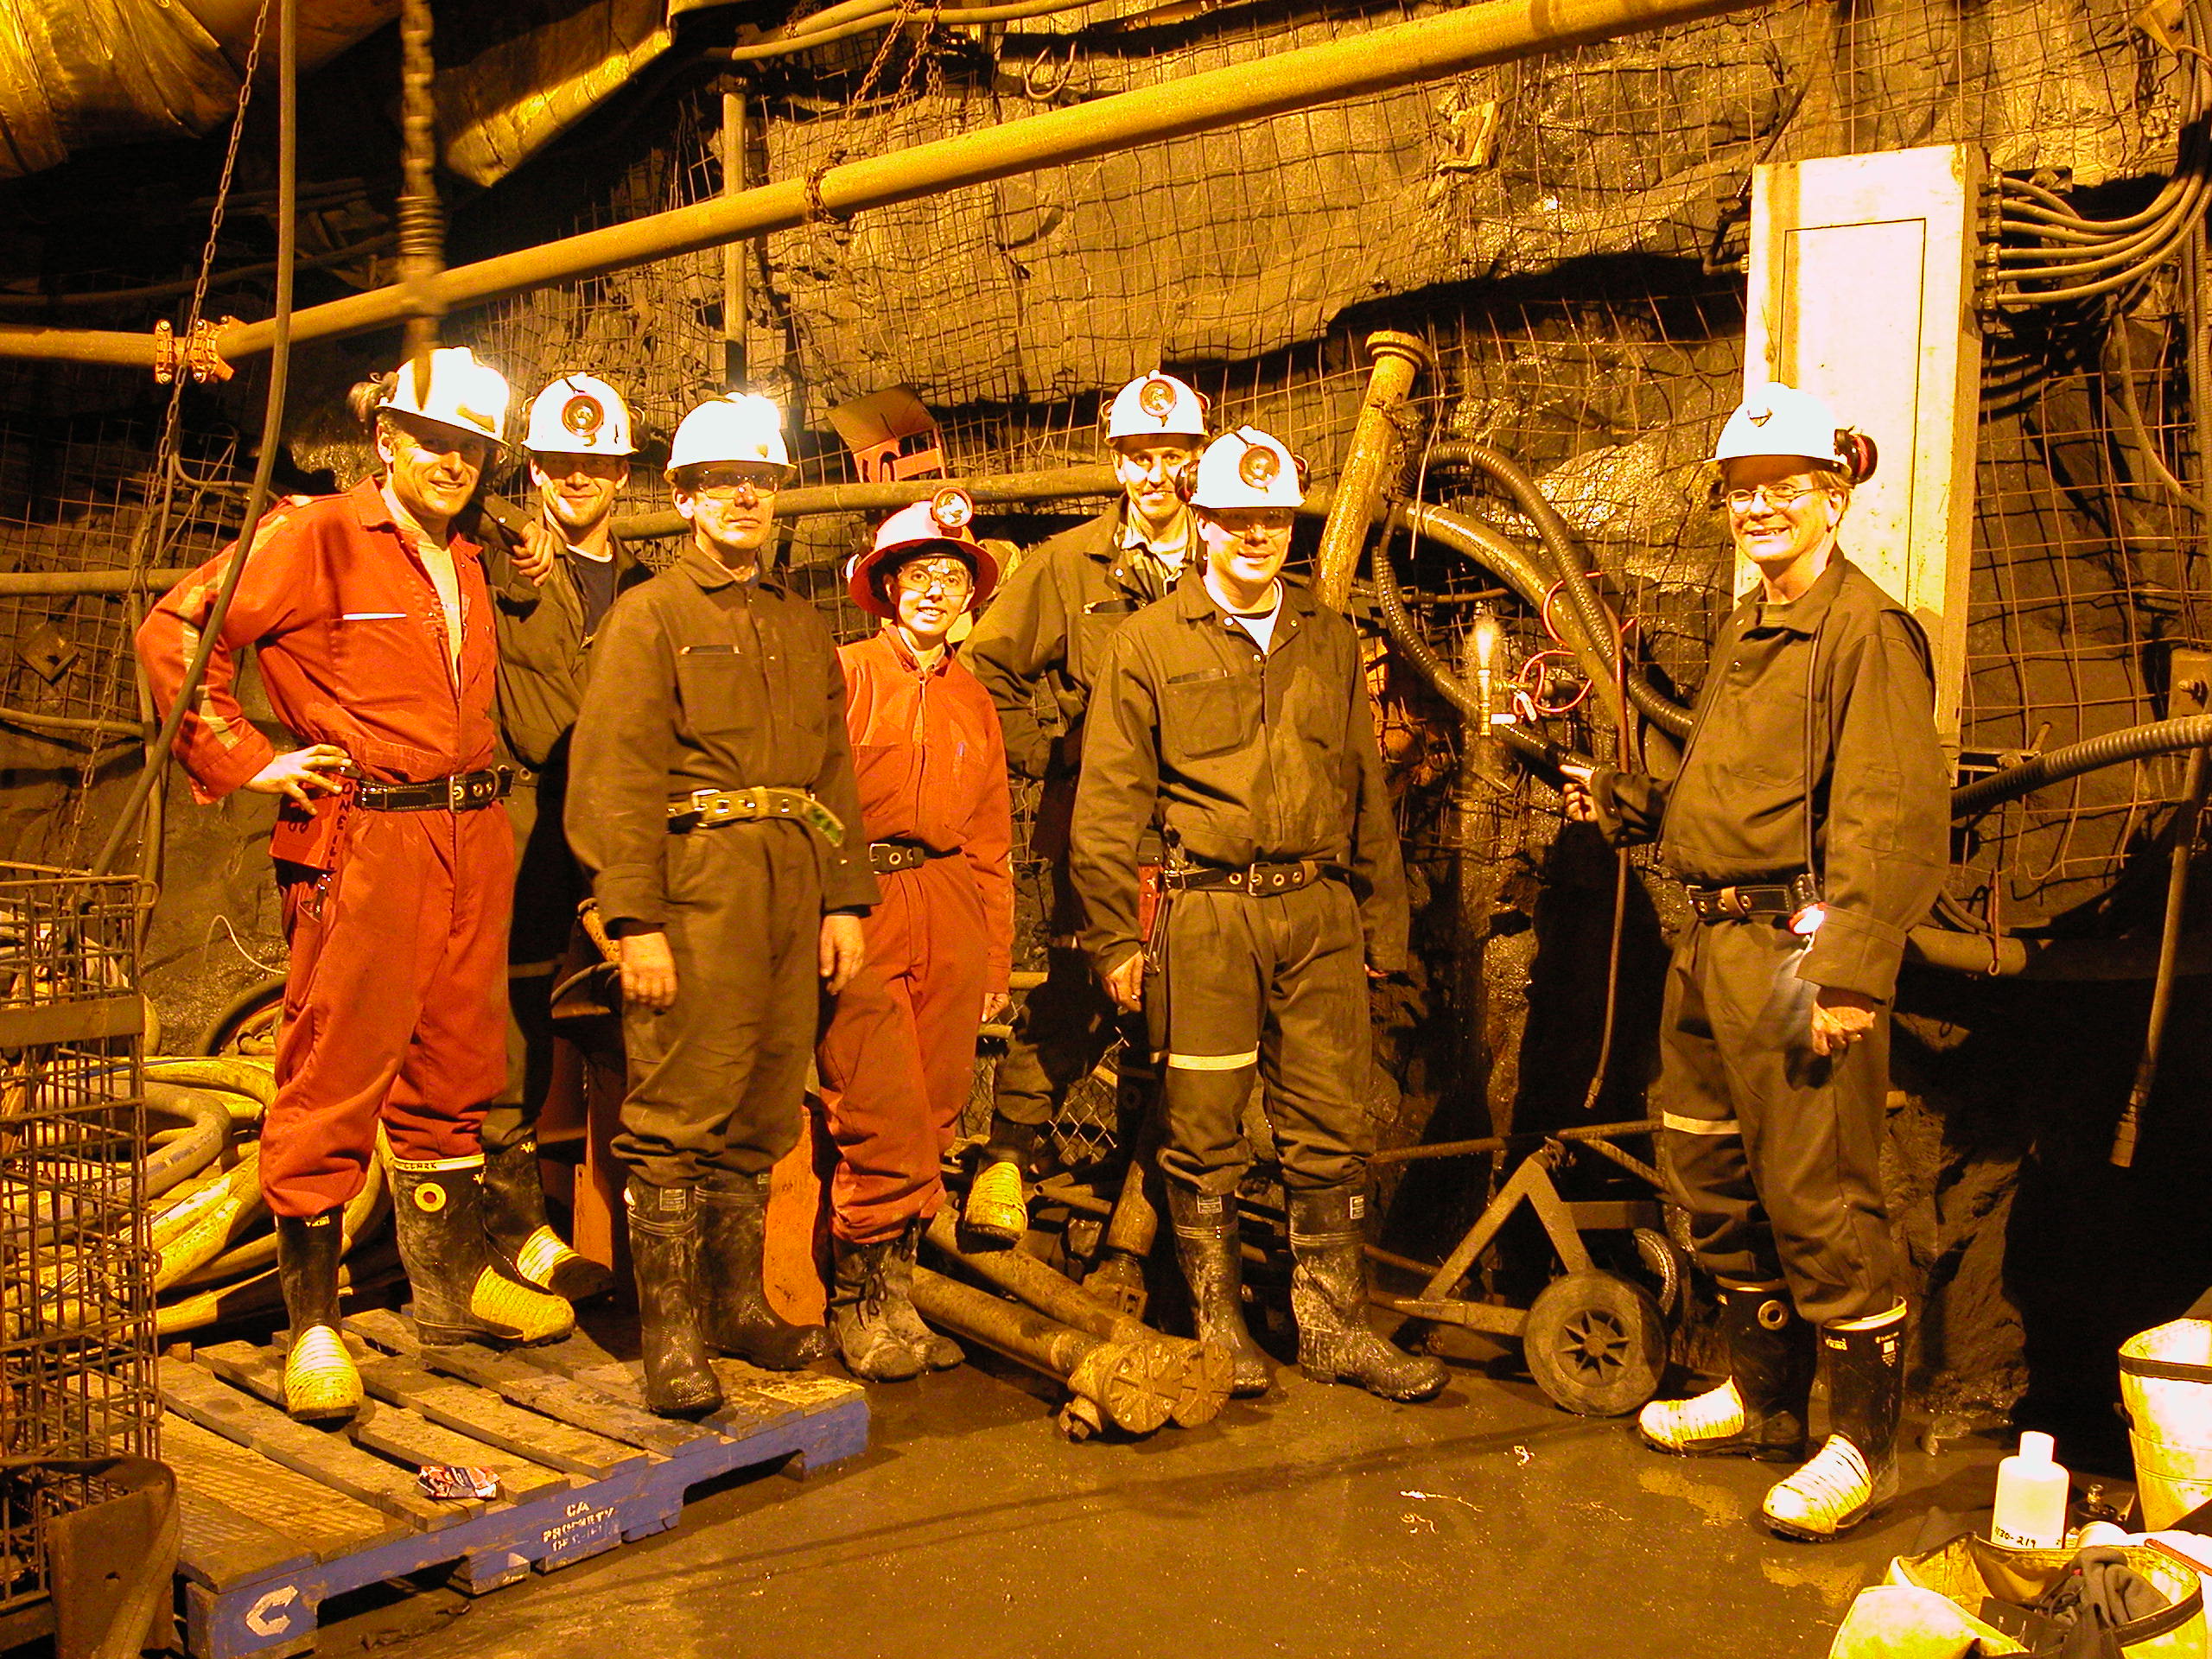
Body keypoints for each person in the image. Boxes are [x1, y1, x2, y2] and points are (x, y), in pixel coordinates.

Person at [137, 347, 574, 1424]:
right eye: (432, 440)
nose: (452, 462)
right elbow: (176, 627)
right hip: (365, 840)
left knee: (457, 1059)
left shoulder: (471, 547)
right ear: (386, 438)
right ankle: (315, 1324)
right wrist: (247, 758)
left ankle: (450, 1284)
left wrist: (527, 541)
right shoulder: (317, 535)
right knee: (335, 1065)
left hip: (473, 830)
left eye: (471, 448)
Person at [1564, 382, 1948, 1541]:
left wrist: (1849, 973)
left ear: (1835, 497)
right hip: (1713, 941)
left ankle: (1858, 1447)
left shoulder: (1863, 632)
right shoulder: (1752, 628)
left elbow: (1884, 813)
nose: (1758, 509)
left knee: (1821, 1195)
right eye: (1741, 492)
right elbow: (1738, 794)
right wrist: (1641, 806)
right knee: (1711, 1172)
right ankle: (1766, 1397)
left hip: (1795, 951)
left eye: (1783, 488)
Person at [1069, 425, 1446, 1404]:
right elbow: (1107, 803)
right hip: (1205, 917)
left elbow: (1363, 785)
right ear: (1200, 522)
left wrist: (1384, 926)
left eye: (1273, 518)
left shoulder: (1328, 633)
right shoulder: (1148, 645)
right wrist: (1114, 934)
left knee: (1330, 1124)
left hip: (1317, 912)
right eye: (1237, 518)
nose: (1257, 535)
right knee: (1201, 1125)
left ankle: (1330, 1327)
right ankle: (1221, 1325)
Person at [567, 392, 877, 1415]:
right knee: (676, 1110)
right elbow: (613, 776)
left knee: (759, 1103)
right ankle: (673, 1339)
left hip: (790, 880)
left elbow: (831, 779)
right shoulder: (649, 617)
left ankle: (738, 1308)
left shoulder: (796, 621)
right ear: (684, 497)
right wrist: (633, 919)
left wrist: (843, 898)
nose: (745, 495)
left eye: (763, 481)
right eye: (720, 482)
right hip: (695, 886)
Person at [961, 371, 1209, 1255]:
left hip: (1201, 829)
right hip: (1098, 829)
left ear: (1196, 461)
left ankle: (1165, 1197)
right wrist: (1054, 753)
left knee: (1196, 1010)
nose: (1155, 474)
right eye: (1139, 457)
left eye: (1172, 455)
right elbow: (989, 669)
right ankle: (1007, 1158)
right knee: (1074, 1000)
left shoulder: (1231, 564)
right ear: (1115, 463)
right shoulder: (1070, 566)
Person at [814, 490, 1014, 1380]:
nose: (933, 589)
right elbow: (811, 807)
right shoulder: (845, 675)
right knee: (878, 1109)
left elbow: (994, 842)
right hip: (865, 903)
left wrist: (995, 961)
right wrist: (830, 901)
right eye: (916, 573)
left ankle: (895, 1293)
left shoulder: (974, 699)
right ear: (884, 586)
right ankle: (857, 1300)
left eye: (949, 575)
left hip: (952, 904)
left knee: (933, 1111)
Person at [476, 372, 650, 1303]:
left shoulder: (653, 589)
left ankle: (624, 1240)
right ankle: (515, 1225)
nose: (577, 476)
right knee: (511, 1026)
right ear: (533, 468)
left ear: (622, 473)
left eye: (596, 462)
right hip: (525, 825)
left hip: (619, 830)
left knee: (621, 1030)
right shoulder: (496, 558)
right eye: (558, 461)